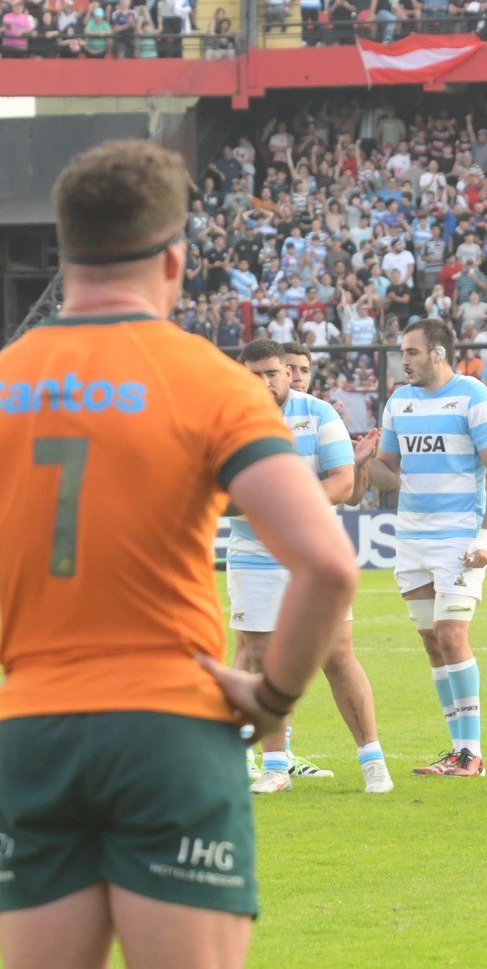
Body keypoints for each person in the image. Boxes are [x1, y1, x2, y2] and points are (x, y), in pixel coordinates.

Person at [0, 140, 356, 967]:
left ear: (65, 251)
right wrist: (271, 698)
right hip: (170, 723)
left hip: (32, 725)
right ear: (174, 259)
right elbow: (327, 562)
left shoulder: (9, 377)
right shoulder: (210, 381)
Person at [228, 339, 391, 796]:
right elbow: (211, 491)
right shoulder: (224, 419)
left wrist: (281, 506)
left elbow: (342, 482)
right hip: (253, 555)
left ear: (286, 373)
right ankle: (275, 765)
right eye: (254, 375)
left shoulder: (319, 414)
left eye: (272, 374)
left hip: (314, 555)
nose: (264, 383)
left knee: (337, 656)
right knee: (262, 659)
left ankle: (372, 760)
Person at [357, 319, 487, 778]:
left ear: (438, 353)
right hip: (411, 538)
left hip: (458, 537)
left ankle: (471, 753)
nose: (403, 360)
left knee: (451, 635)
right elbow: (389, 472)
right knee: (431, 643)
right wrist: (366, 463)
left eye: (411, 352)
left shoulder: (474, 397)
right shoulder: (399, 402)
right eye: (401, 352)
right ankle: (457, 751)